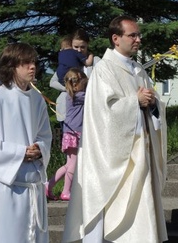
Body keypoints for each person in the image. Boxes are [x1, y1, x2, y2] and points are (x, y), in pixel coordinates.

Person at [62, 16, 167, 242]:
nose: (138, 39)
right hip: (117, 157)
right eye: (133, 35)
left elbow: (150, 104)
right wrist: (135, 102)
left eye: (139, 35)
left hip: (141, 150)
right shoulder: (104, 70)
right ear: (116, 38)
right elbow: (103, 113)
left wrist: (152, 102)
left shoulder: (138, 69)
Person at [0, 43, 52, 242]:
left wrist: (39, 149)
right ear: (12, 67)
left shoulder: (37, 100)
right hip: (5, 191)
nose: (32, 66)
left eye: (33, 62)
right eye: (25, 62)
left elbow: (44, 136)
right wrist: (20, 152)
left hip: (33, 188)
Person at [46, 68, 88, 201]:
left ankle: (49, 185)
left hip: (70, 132)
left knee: (69, 164)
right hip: (74, 132)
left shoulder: (71, 95)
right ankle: (66, 191)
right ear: (77, 83)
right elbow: (94, 97)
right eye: (85, 84)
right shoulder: (78, 96)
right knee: (73, 164)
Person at [50, 29, 100, 126]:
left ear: (87, 45)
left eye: (82, 47)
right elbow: (53, 82)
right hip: (67, 112)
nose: (78, 50)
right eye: (75, 47)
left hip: (90, 112)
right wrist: (68, 88)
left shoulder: (96, 61)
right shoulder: (67, 63)